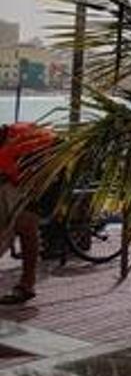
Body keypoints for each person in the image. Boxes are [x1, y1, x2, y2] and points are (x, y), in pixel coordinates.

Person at [0, 122, 57, 305]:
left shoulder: (16, 147)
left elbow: (22, 179)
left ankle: (27, 284)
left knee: (25, 225)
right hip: (23, 177)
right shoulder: (10, 138)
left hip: (47, 180)